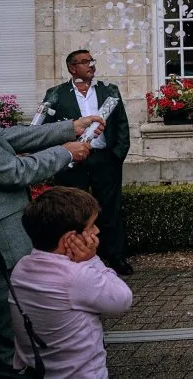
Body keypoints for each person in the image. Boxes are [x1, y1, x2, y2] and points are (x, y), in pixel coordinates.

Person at [0, 47, 97, 365]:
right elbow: (11, 170)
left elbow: (2, 138)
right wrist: (64, 152)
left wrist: (68, 127)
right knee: (13, 318)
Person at [11, 187, 133, 378]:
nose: (97, 230)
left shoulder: (21, 268)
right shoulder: (76, 276)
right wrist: (91, 260)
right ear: (70, 238)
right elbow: (123, 299)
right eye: (91, 226)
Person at [42, 50, 133, 276]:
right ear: (72, 68)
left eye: (92, 61)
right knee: (74, 212)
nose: (91, 65)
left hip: (105, 159)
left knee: (110, 210)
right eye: (85, 62)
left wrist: (117, 155)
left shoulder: (109, 91)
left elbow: (122, 123)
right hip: (72, 161)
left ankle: (116, 256)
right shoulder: (56, 94)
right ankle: (76, 256)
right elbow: (47, 130)